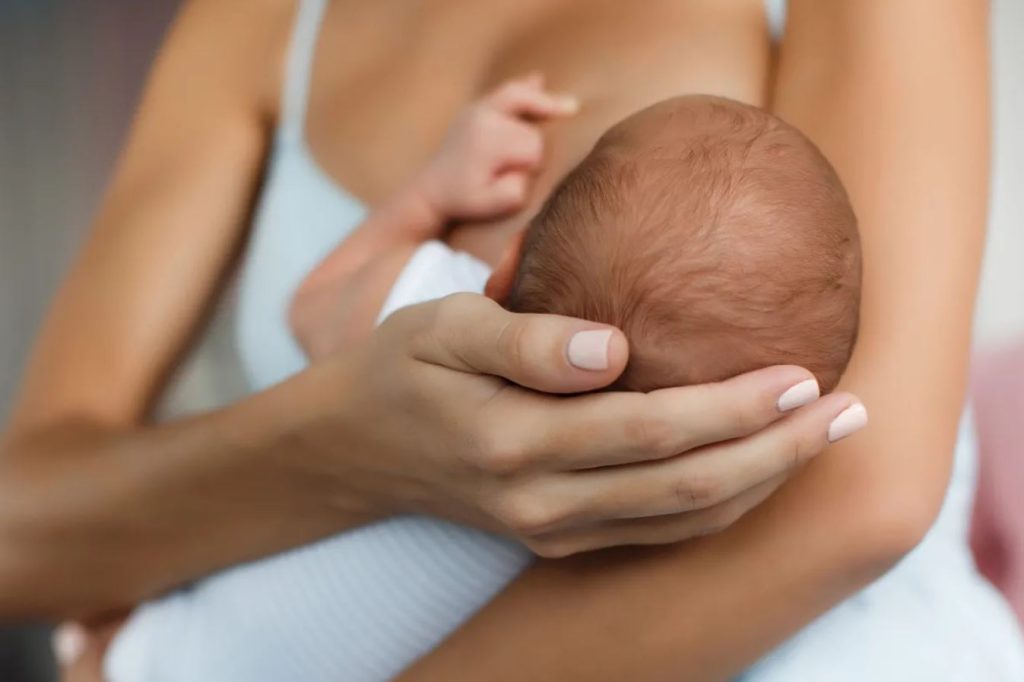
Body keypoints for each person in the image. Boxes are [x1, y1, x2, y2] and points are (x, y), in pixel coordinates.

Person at [0, 0, 1014, 680]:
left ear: (511, 254)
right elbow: (20, 530)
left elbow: (860, 498)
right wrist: (354, 447)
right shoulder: (258, 24)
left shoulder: (422, 301)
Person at [104, 90, 865, 681]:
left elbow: (313, 306)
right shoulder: (679, 525)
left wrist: (431, 197)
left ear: (508, 264)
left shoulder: (436, 304)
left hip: (172, 652)